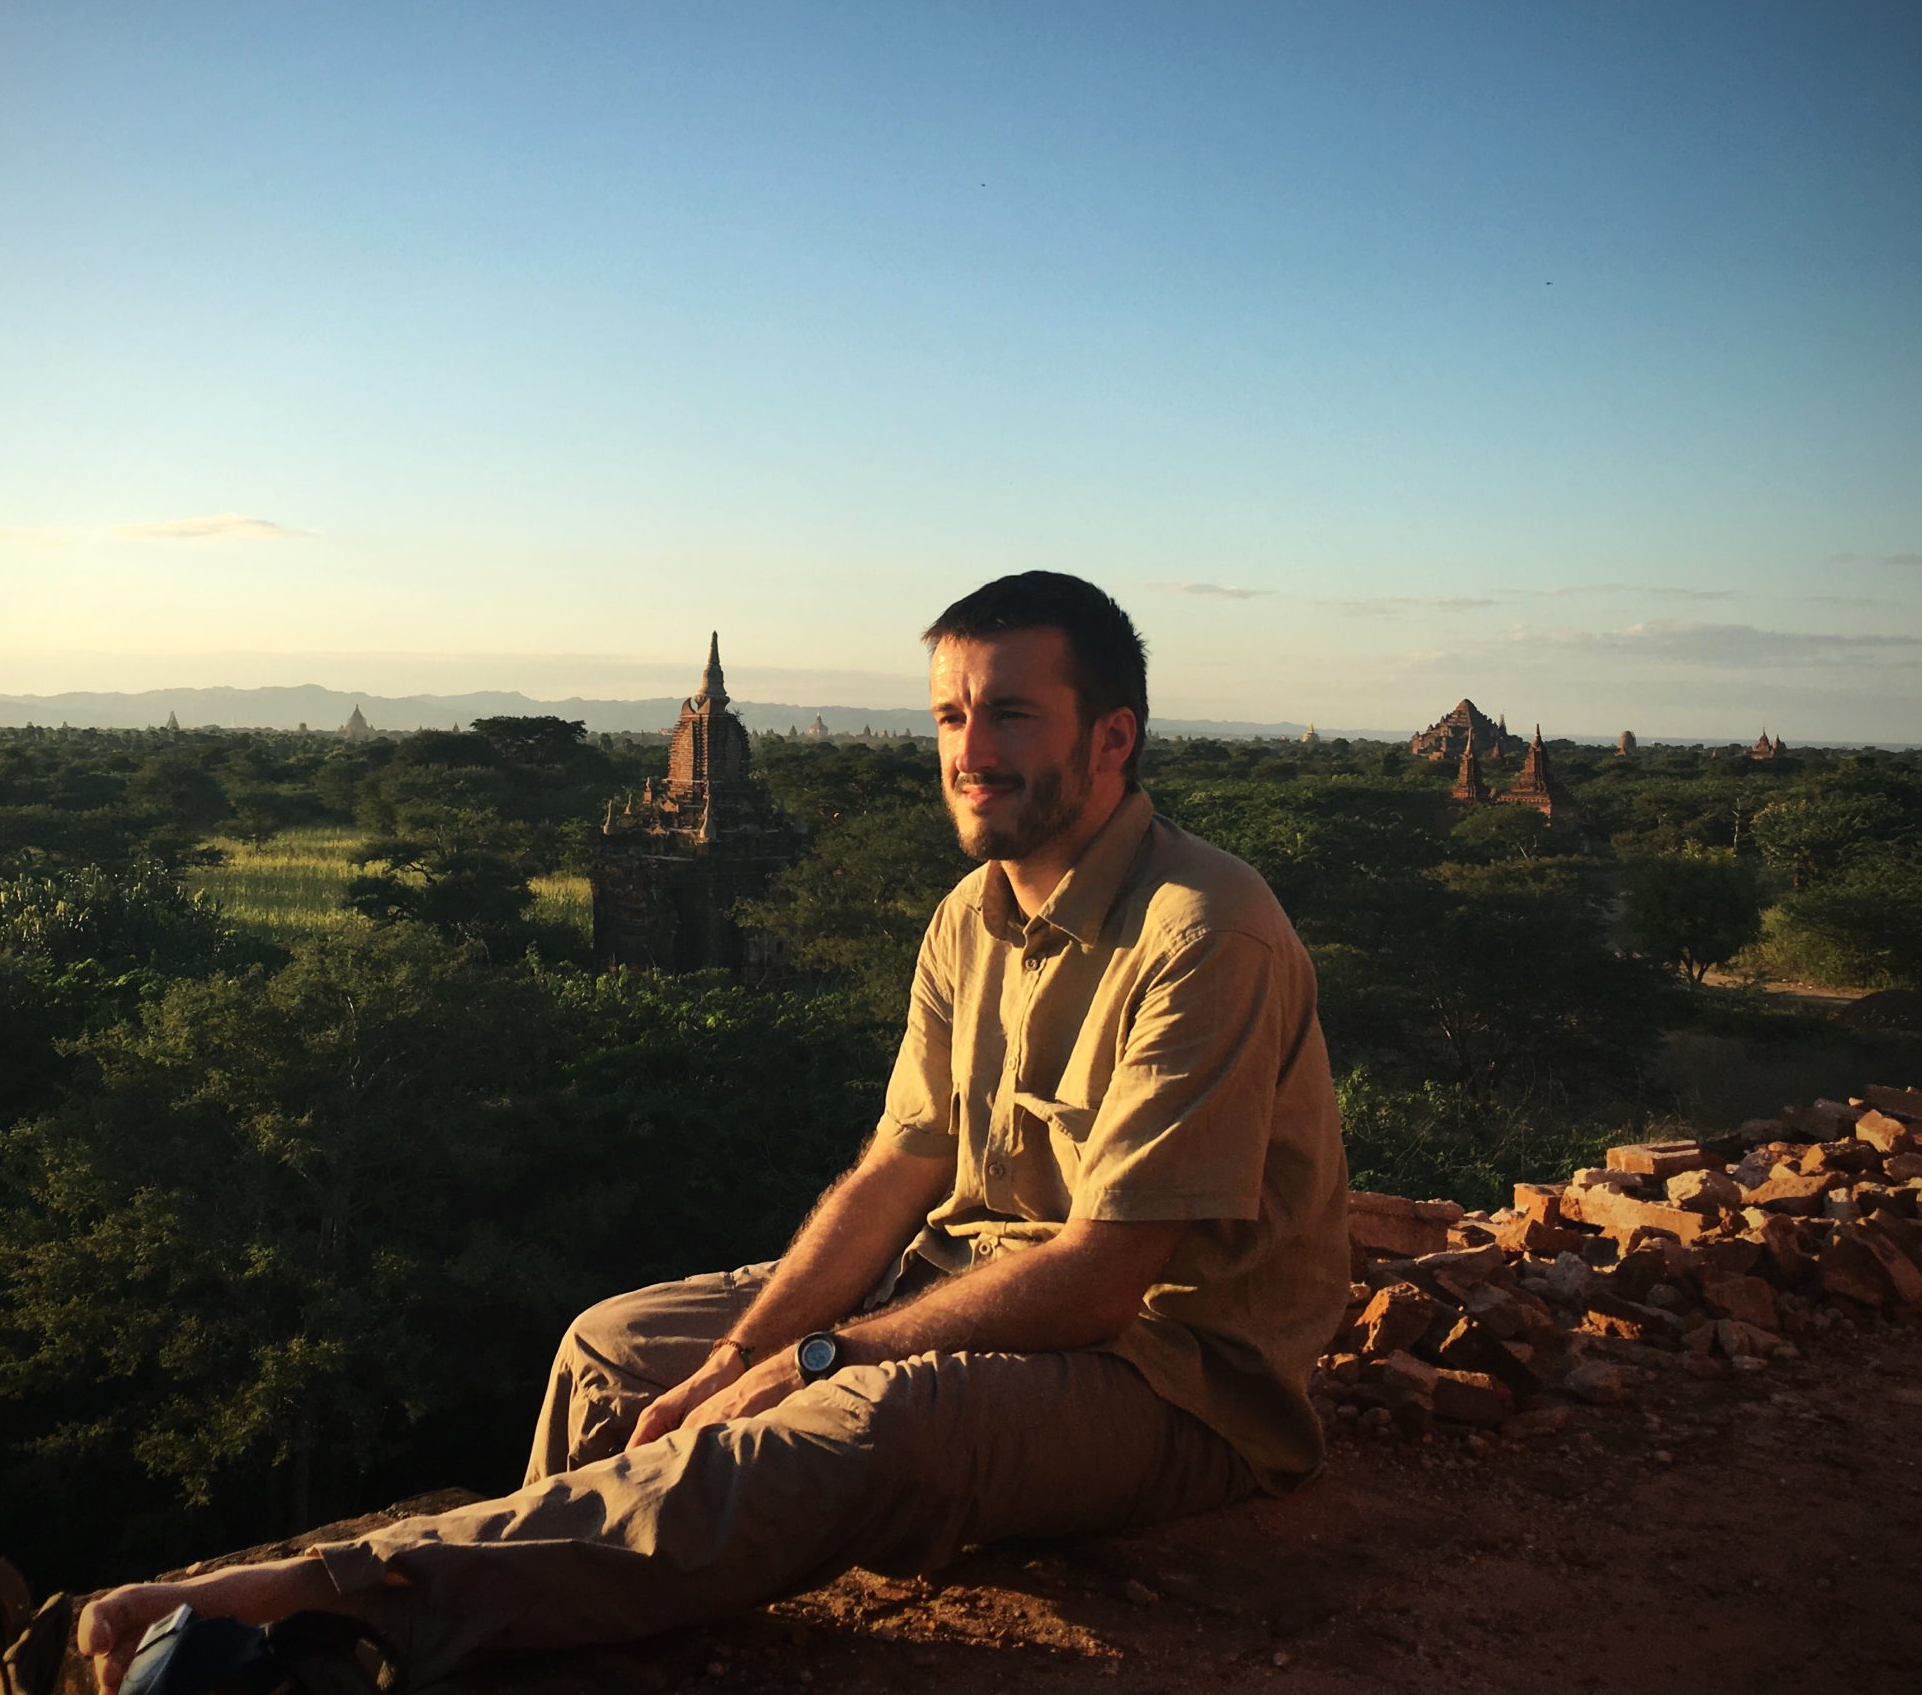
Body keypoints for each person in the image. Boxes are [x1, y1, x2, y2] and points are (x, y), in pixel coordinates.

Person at [79, 571, 1349, 1692]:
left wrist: (813, 1361)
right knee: (615, 1350)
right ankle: (523, 1618)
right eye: (951, 717)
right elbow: (898, 1168)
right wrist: (740, 1352)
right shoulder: (972, 913)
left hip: (1169, 1378)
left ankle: (349, 1605)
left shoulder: (1204, 928)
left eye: (1012, 713)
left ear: (1112, 736)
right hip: (968, 1280)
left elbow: (1103, 1277)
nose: (971, 751)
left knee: (869, 1420)